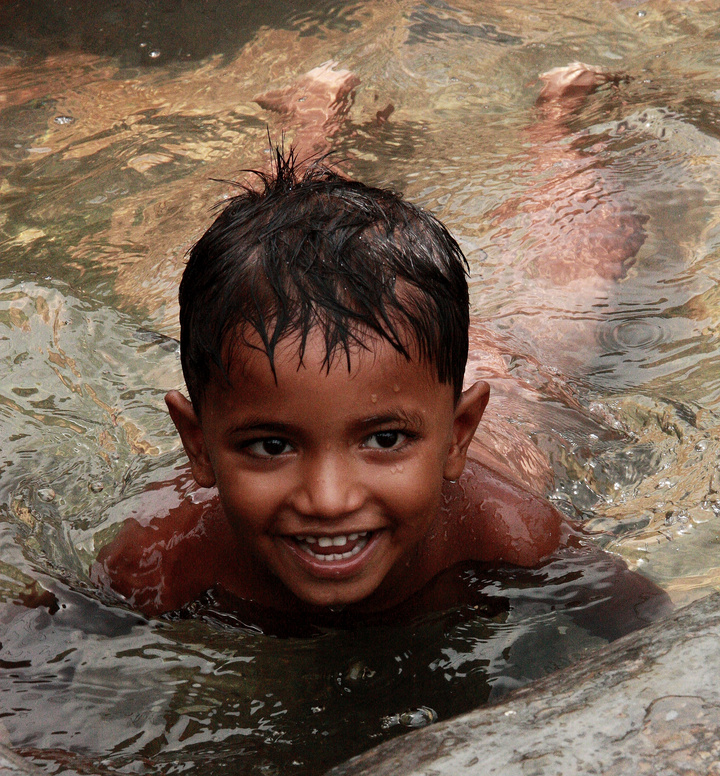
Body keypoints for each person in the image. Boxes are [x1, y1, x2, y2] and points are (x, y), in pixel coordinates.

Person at [92, 64, 669, 636]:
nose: (329, 500)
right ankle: (313, 120)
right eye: (271, 445)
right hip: (392, 373)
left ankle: (559, 120)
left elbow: (652, 631)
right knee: (294, 222)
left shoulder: (507, 529)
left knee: (575, 276)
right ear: (196, 444)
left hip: (516, 386)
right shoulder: (163, 550)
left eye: (385, 439)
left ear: (459, 433)